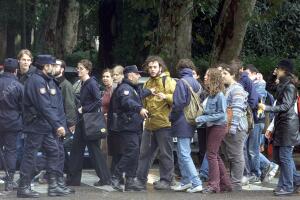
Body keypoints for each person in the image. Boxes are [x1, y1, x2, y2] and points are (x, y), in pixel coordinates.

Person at [17, 55, 68, 198]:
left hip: (44, 126)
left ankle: (53, 186)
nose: (54, 67)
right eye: (52, 65)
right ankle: (23, 187)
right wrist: (57, 125)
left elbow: (52, 106)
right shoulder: (36, 81)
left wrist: (56, 124)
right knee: (30, 156)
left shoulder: (45, 80)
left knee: (54, 152)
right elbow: (44, 106)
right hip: (35, 126)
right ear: (46, 67)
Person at [258, 59, 300, 196]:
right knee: (280, 157)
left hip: (288, 126)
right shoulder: (284, 83)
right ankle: (290, 182)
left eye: (278, 69)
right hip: (282, 125)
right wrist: (273, 74)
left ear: (284, 70)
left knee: (284, 157)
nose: (276, 71)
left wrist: (267, 108)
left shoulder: (289, 86)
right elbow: (269, 86)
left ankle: (287, 186)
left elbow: (286, 106)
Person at [67, 59, 111, 187]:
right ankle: (73, 180)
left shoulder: (91, 83)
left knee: (93, 150)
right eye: (78, 68)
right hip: (83, 121)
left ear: (87, 70)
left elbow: (98, 101)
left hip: (89, 121)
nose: (78, 70)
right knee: (76, 149)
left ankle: (105, 178)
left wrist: (84, 108)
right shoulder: (83, 83)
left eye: (81, 68)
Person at [135, 56, 176, 190]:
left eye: (154, 67)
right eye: (150, 67)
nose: (152, 69)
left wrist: (166, 97)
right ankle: (140, 180)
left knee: (165, 154)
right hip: (149, 124)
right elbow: (143, 101)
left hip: (165, 124)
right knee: (144, 153)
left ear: (160, 67)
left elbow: (178, 99)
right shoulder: (147, 83)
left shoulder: (168, 81)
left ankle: (166, 180)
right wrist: (143, 108)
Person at [107, 65, 151, 191]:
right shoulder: (125, 89)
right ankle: (116, 176)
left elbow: (139, 94)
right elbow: (127, 102)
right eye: (137, 74)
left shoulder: (133, 88)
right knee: (131, 151)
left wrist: (150, 91)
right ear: (131, 75)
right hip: (127, 126)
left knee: (135, 153)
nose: (139, 76)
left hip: (134, 126)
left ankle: (130, 180)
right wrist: (139, 108)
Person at [195, 68, 232, 193]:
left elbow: (222, 114)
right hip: (211, 126)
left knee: (211, 155)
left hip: (218, 127)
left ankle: (214, 185)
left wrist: (202, 117)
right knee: (214, 155)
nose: (205, 77)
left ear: (213, 78)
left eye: (207, 75)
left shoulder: (219, 95)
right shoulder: (211, 94)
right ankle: (226, 184)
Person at [169, 59, 203, 193]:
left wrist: (171, 117)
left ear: (180, 69)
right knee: (182, 152)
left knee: (184, 153)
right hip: (192, 120)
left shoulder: (182, 82)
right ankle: (185, 181)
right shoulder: (196, 83)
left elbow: (178, 103)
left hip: (182, 121)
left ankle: (196, 182)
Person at [219, 63, 248, 191]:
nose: (222, 75)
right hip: (230, 126)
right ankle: (232, 182)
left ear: (233, 75)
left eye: (225, 73)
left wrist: (232, 128)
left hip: (236, 128)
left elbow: (237, 109)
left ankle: (236, 184)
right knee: (231, 155)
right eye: (222, 73)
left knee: (236, 156)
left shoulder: (236, 89)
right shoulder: (228, 88)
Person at [0, 58, 23, 191]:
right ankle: (9, 180)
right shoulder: (19, 86)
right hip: (13, 122)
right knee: (11, 151)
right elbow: (24, 106)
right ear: (15, 71)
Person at [16, 49, 35, 167]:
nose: (26, 62)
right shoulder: (14, 74)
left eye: (28, 60)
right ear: (19, 60)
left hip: (30, 117)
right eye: (23, 59)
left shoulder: (34, 76)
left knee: (29, 148)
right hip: (16, 117)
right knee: (17, 147)